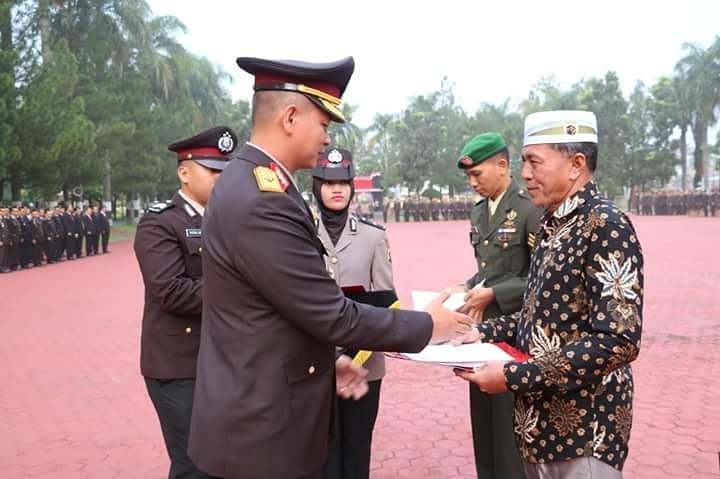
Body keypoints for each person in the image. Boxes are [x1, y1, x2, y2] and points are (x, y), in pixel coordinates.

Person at [188, 56, 471, 479]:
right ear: (290, 117)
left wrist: (325, 363)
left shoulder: (251, 182)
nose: (326, 139)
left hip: (258, 410)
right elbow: (330, 313)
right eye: (323, 124)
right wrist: (429, 327)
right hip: (261, 431)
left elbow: (275, 310)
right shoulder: (263, 199)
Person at [453, 111, 644, 479]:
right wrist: (482, 334)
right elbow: (537, 316)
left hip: (584, 434)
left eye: (534, 162)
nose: (524, 174)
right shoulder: (553, 225)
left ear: (576, 164)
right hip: (539, 430)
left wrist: (515, 376)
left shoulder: (604, 225)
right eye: (524, 161)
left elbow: (618, 340)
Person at [134, 126, 238, 479]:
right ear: (184, 171)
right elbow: (170, 290)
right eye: (213, 170)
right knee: (194, 466)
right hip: (179, 366)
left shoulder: (230, 220)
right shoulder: (160, 222)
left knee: (227, 461)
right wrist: (241, 290)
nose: (221, 178)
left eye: (226, 170)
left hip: (225, 362)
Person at [450, 132, 541, 479]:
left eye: (478, 175)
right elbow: (488, 270)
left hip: (515, 330)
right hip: (481, 332)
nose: (472, 183)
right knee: (483, 419)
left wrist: (494, 294)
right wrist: (465, 286)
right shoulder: (479, 212)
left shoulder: (528, 208)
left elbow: (539, 277)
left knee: (507, 426)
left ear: (502, 166)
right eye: (469, 177)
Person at [311, 147, 392, 479]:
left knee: (357, 451)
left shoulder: (373, 237)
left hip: (364, 368)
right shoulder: (299, 232)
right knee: (320, 453)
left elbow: (385, 303)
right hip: (314, 364)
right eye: (329, 183)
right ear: (317, 186)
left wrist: (353, 359)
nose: (337, 189)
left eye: (343, 182)